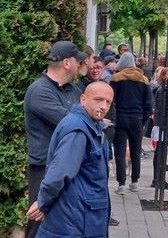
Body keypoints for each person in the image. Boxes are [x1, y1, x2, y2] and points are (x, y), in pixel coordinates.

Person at [26, 82, 114, 238]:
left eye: (108, 102)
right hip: (76, 219)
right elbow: (60, 171)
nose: (103, 106)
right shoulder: (78, 130)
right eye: (98, 100)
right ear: (83, 99)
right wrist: (43, 201)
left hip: (79, 216)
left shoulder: (90, 126)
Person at [23, 40, 87, 238]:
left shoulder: (74, 90)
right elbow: (72, 122)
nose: (81, 65)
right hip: (45, 169)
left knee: (67, 222)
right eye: (78, 61)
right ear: (67, 63)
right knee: (38, 221)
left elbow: (88, 119)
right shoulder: (39, 91)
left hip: (70, 168)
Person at [110, 52, 153, 194]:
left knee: (120, 151)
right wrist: (143, 120)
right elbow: (148, 104)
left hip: (120, 118)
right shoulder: (144, 79)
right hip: (137, 119)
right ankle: (135, 182)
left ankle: (121, 184)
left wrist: (113, 118)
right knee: (136, 150)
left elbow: (111, 100)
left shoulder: (116, 78)